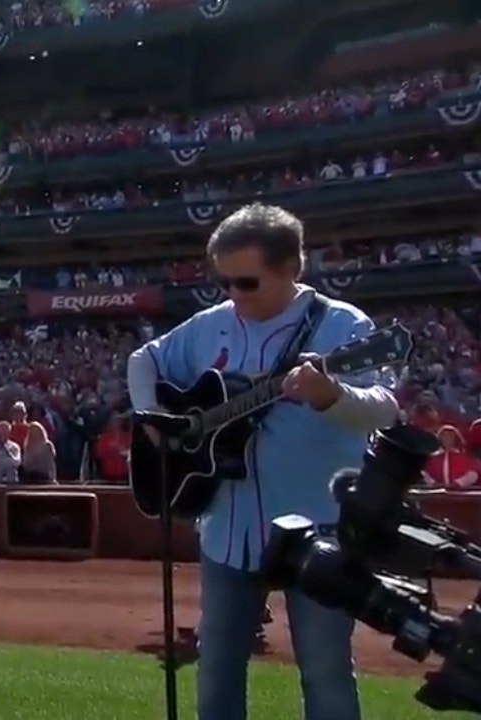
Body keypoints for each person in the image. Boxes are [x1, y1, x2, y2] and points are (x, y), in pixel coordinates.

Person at [126, 203, 400, 720]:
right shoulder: (211, 325)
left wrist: (330, 394)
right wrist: (151, 418)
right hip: (228, 528)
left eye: (246, 282)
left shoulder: (344, 325)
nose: (233, 295)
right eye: (224, 283)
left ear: (290, 270)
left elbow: (384, 407)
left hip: (320, 530)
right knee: (217, 671)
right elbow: (145, 361)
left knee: (326, 675)